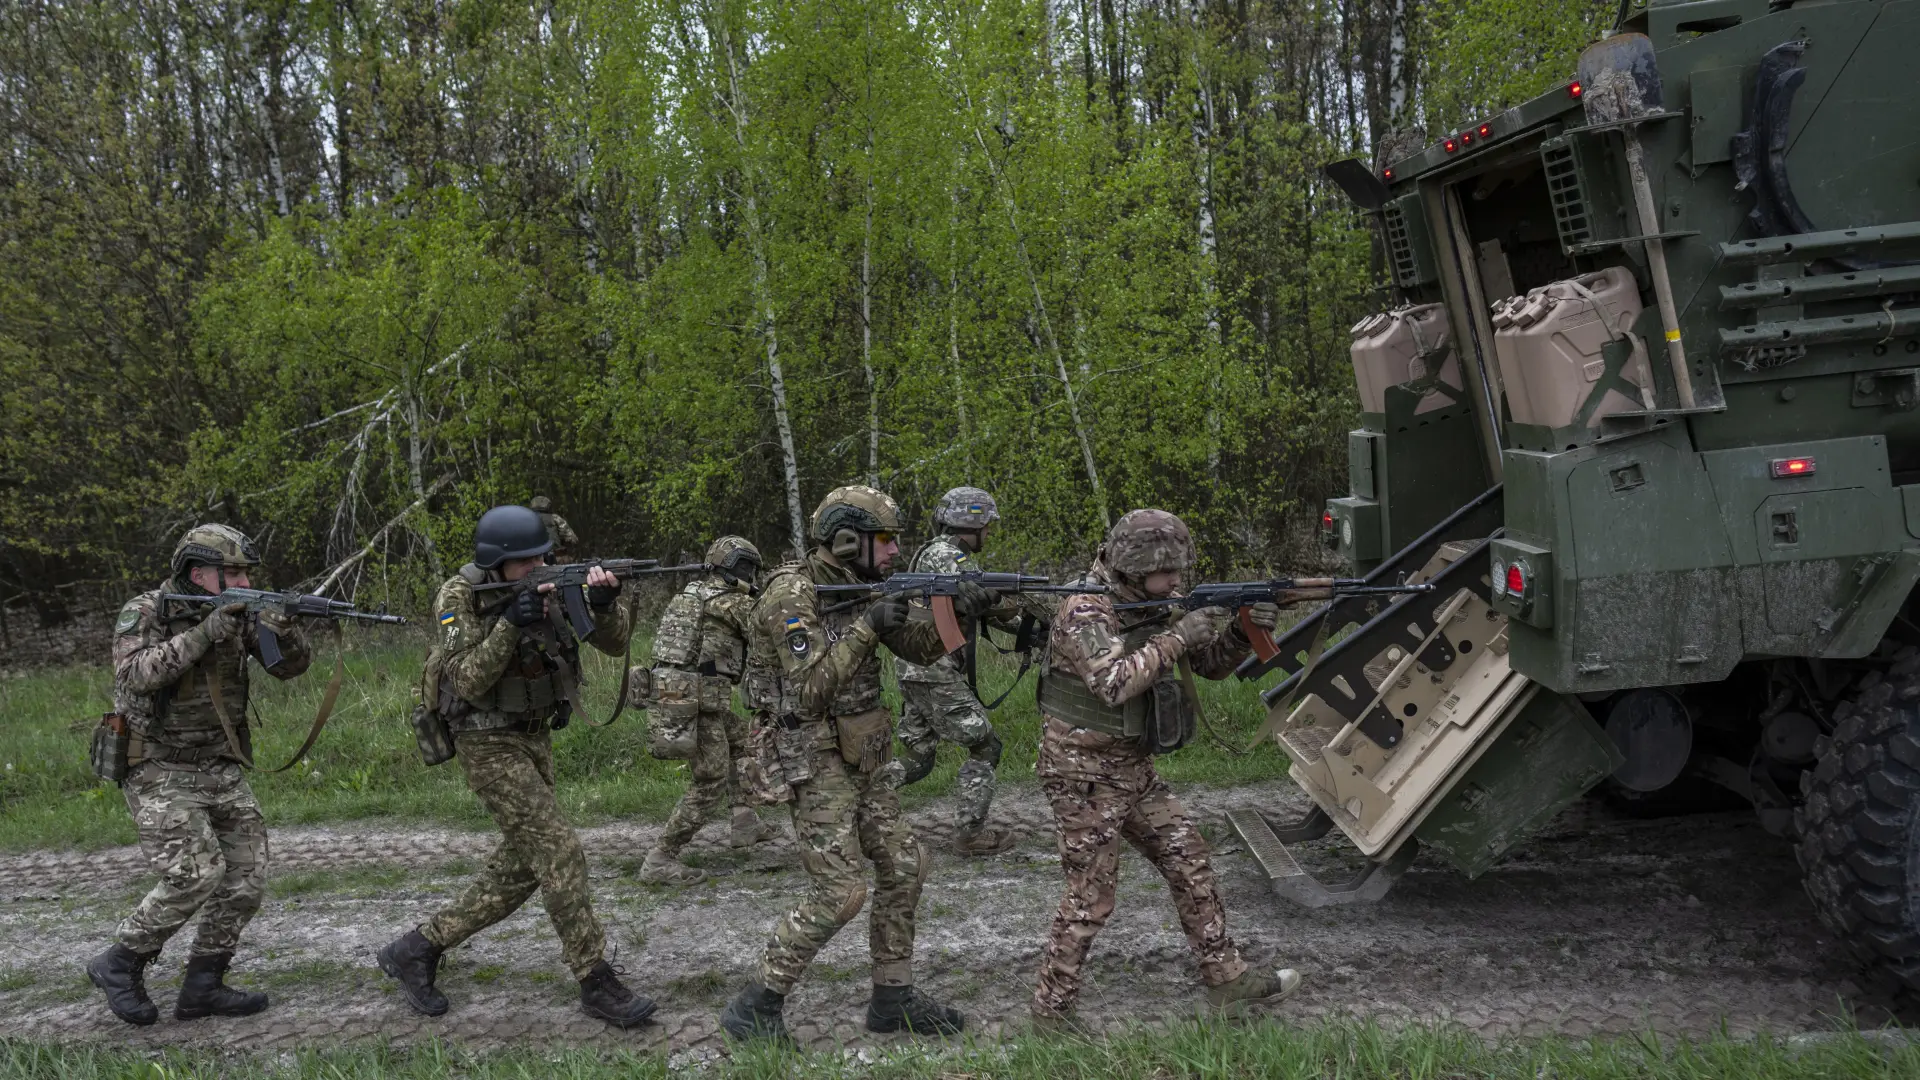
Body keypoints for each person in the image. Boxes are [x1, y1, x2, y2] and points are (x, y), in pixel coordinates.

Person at [718, 485, 996, 1043]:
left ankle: (892, 998)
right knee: (841, 892)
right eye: (886, 540)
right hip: (811, 754)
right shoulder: (790, 594)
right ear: (847, 540)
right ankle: (755, 1004)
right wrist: (871, 623)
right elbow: (809, 692)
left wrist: (958, 612)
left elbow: (921, 649)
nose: (896, 553)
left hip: (863, 752)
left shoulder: (861, 583)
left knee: (905, 864)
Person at [376, 504, 655, 1028]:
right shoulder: (457, 596)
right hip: (484, 740)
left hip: (534, 736)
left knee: (524, 867)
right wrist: (509, 622)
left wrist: (603, 603)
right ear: (497, 563)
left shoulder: (549, 584)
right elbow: (466, 680)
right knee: (559, 851)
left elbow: (613, 645)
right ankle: (595, 980)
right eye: (526, 562)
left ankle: (417, 948)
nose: (539, 568)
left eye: (542, 558)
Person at [1029, 509, 1302, 1033]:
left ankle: (1227, 978)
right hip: (1082, 773)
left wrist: (1245, 633)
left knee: (1189, 856)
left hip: (1131, 765)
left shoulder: (1153, 602)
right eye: (1168, 571)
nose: (1178, 582)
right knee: (1091, 895)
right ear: (1134, 566)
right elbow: (1111, 683)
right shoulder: (1086, 610)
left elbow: (1209, 666)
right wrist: (1177, 636)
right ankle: (1050, 1012)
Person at [87, 525, 313, 1026]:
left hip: (218, 763)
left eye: (246, 570)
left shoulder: (242, 612)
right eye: (233, 571)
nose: (244, 579)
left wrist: (285, 629)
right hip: (157, 765)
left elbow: (289, 668)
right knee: (195, 873)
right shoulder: (146, 610)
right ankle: (119, 962)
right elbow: (134, 676)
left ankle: (203, 986)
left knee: (246, 877)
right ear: (198, 572)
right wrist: (204, 633)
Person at [896, 486, 1049, 856]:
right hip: (935, 671)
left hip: (917, 668)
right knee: (986, 746)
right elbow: (984, 602)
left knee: (918, 761)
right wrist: (1036, 624)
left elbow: (979, 607)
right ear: (974, 524)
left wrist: (1034, 630)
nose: (989, 534)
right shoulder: (949, 558)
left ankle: (853, 808)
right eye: (987, 527)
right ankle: (969, 836)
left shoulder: (936, 554)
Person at [636, 535, 772, 884]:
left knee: (744, 742)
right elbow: (768, 631)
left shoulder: (689, 594)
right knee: (709, 779)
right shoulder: (730, 602)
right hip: (696, 697)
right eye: (751, 571)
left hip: (679, 692)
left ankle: (744, 823)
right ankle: (660, 859)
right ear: (742, 568)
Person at [528, 495, 579, 563]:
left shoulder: (527, 519)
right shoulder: (555, 518)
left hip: (532, 560)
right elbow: (573, 539)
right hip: (556, 558)